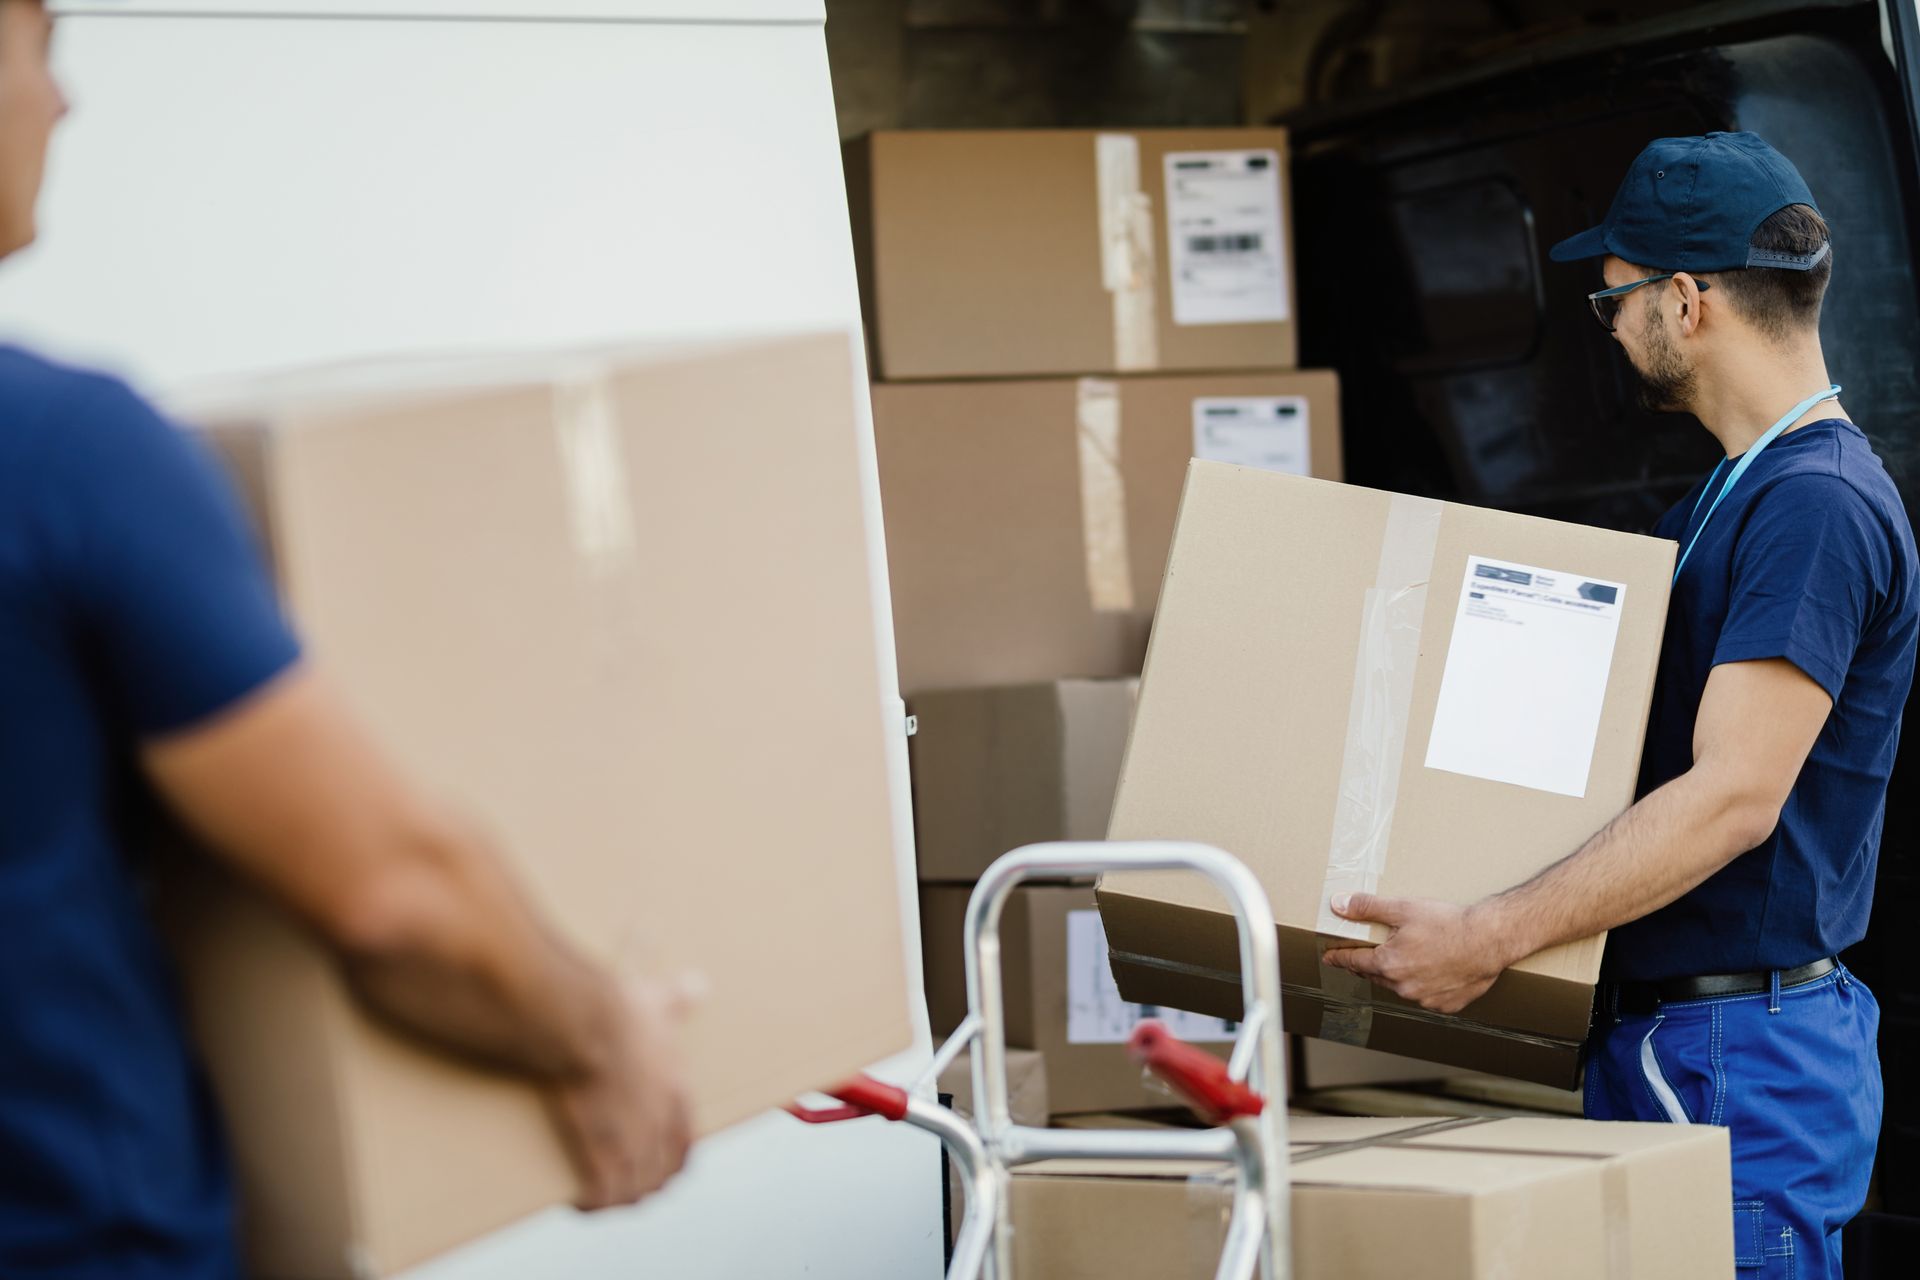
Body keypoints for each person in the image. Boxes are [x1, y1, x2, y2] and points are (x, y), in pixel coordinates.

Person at [0, 3, 694, 1276]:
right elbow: (392, 893)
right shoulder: (60, 455)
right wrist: (604, 1036)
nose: (63, 100)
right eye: (40, 43)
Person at [1323, 130, 1917, 1279]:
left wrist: (1488, 936)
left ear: (1685, 300)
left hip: (1741, 1058)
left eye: (1615, 302)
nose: (1611, 330)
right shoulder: (1727, 498)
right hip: (1690, 1040)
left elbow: (1736, 795)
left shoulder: (1818, 506)